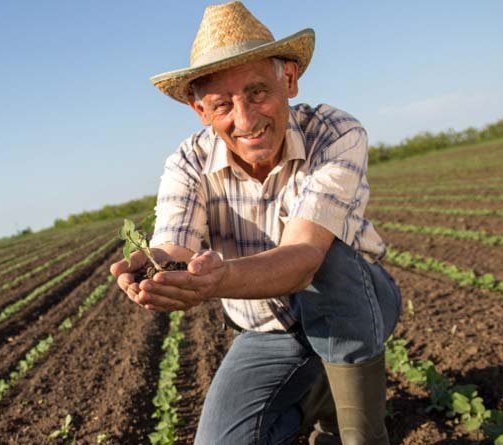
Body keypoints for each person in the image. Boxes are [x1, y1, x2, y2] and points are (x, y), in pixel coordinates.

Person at [109, 2, 401, 444]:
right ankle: (312, 397)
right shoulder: (189, 162)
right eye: (222, 104)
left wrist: (220, 278)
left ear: (289, 80)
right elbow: (175, 244)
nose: (246, 120)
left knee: (333, 261)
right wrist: (160, 267)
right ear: (200, 111)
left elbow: (305, 258)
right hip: (268, 330)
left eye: (258, 92)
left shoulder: (334, 132)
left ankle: (357, 433)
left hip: (358, 308)